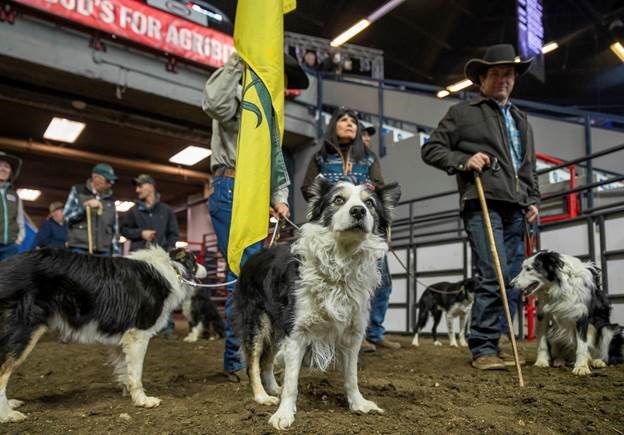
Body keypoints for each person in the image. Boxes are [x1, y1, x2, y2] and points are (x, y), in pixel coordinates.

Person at [421, 44, 540, 370]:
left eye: (509, 74)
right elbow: (431, 149)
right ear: (483, 78)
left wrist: (534, 200)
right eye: (497, 73)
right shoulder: (463, 113)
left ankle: (499, 339)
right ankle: (483, 347)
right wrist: (463, 160)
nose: (504, 79)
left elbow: (527, 167)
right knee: (494, 272)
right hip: (482, 203)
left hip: (518, 209)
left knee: (516, 279)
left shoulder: (521, 120)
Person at [202, 51, 309, 380]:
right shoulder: (240, 94)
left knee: (248, 274)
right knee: (245, 273)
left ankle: (246, 358)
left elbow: (273, 156)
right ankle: (241, 361)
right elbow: (214, 103)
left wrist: (279, 196)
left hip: (251, 193)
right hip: (232, 188)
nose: (286, 87)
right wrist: (241, 59)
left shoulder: (271, 113)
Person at [301, 107, 400, 351]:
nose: (349, 124)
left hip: (365, 229)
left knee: (381, 281)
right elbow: (308, 188)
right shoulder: (320, 157)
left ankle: (370, 332)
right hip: (334, 230)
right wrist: (334, 197)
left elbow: (379, 187)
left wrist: (365, 196)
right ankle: (328, 330)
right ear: (333, 125)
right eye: (343, 120)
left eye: (353, 121)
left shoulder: (368, 157)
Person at [64, 163, 120, 256]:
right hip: (80, 249)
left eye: (112, 182)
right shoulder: (78, 191)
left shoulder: (110, 199)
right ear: (95, 177)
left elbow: (115, 228)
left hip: (103, 252)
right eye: (107, 180)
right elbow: (67, 217)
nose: (110, 184)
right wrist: (84, 208)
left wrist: (116, 253)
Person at [121, 174, 179, 252]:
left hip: (159, 257)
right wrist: (141, 233)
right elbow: (124, 230)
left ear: (151, 186)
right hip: (138, 257)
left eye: (140, 186)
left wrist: (167, 251)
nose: (137, 190)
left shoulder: (166, 210)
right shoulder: (134, 211)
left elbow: (173, 234)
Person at [0, 151, 25, 260]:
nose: (3, 169)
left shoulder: (15, 196)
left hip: (10, 246)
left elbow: (20, 219)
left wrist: (19, 238)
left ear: (10, 172)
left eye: (6, 166)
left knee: (8, 276)